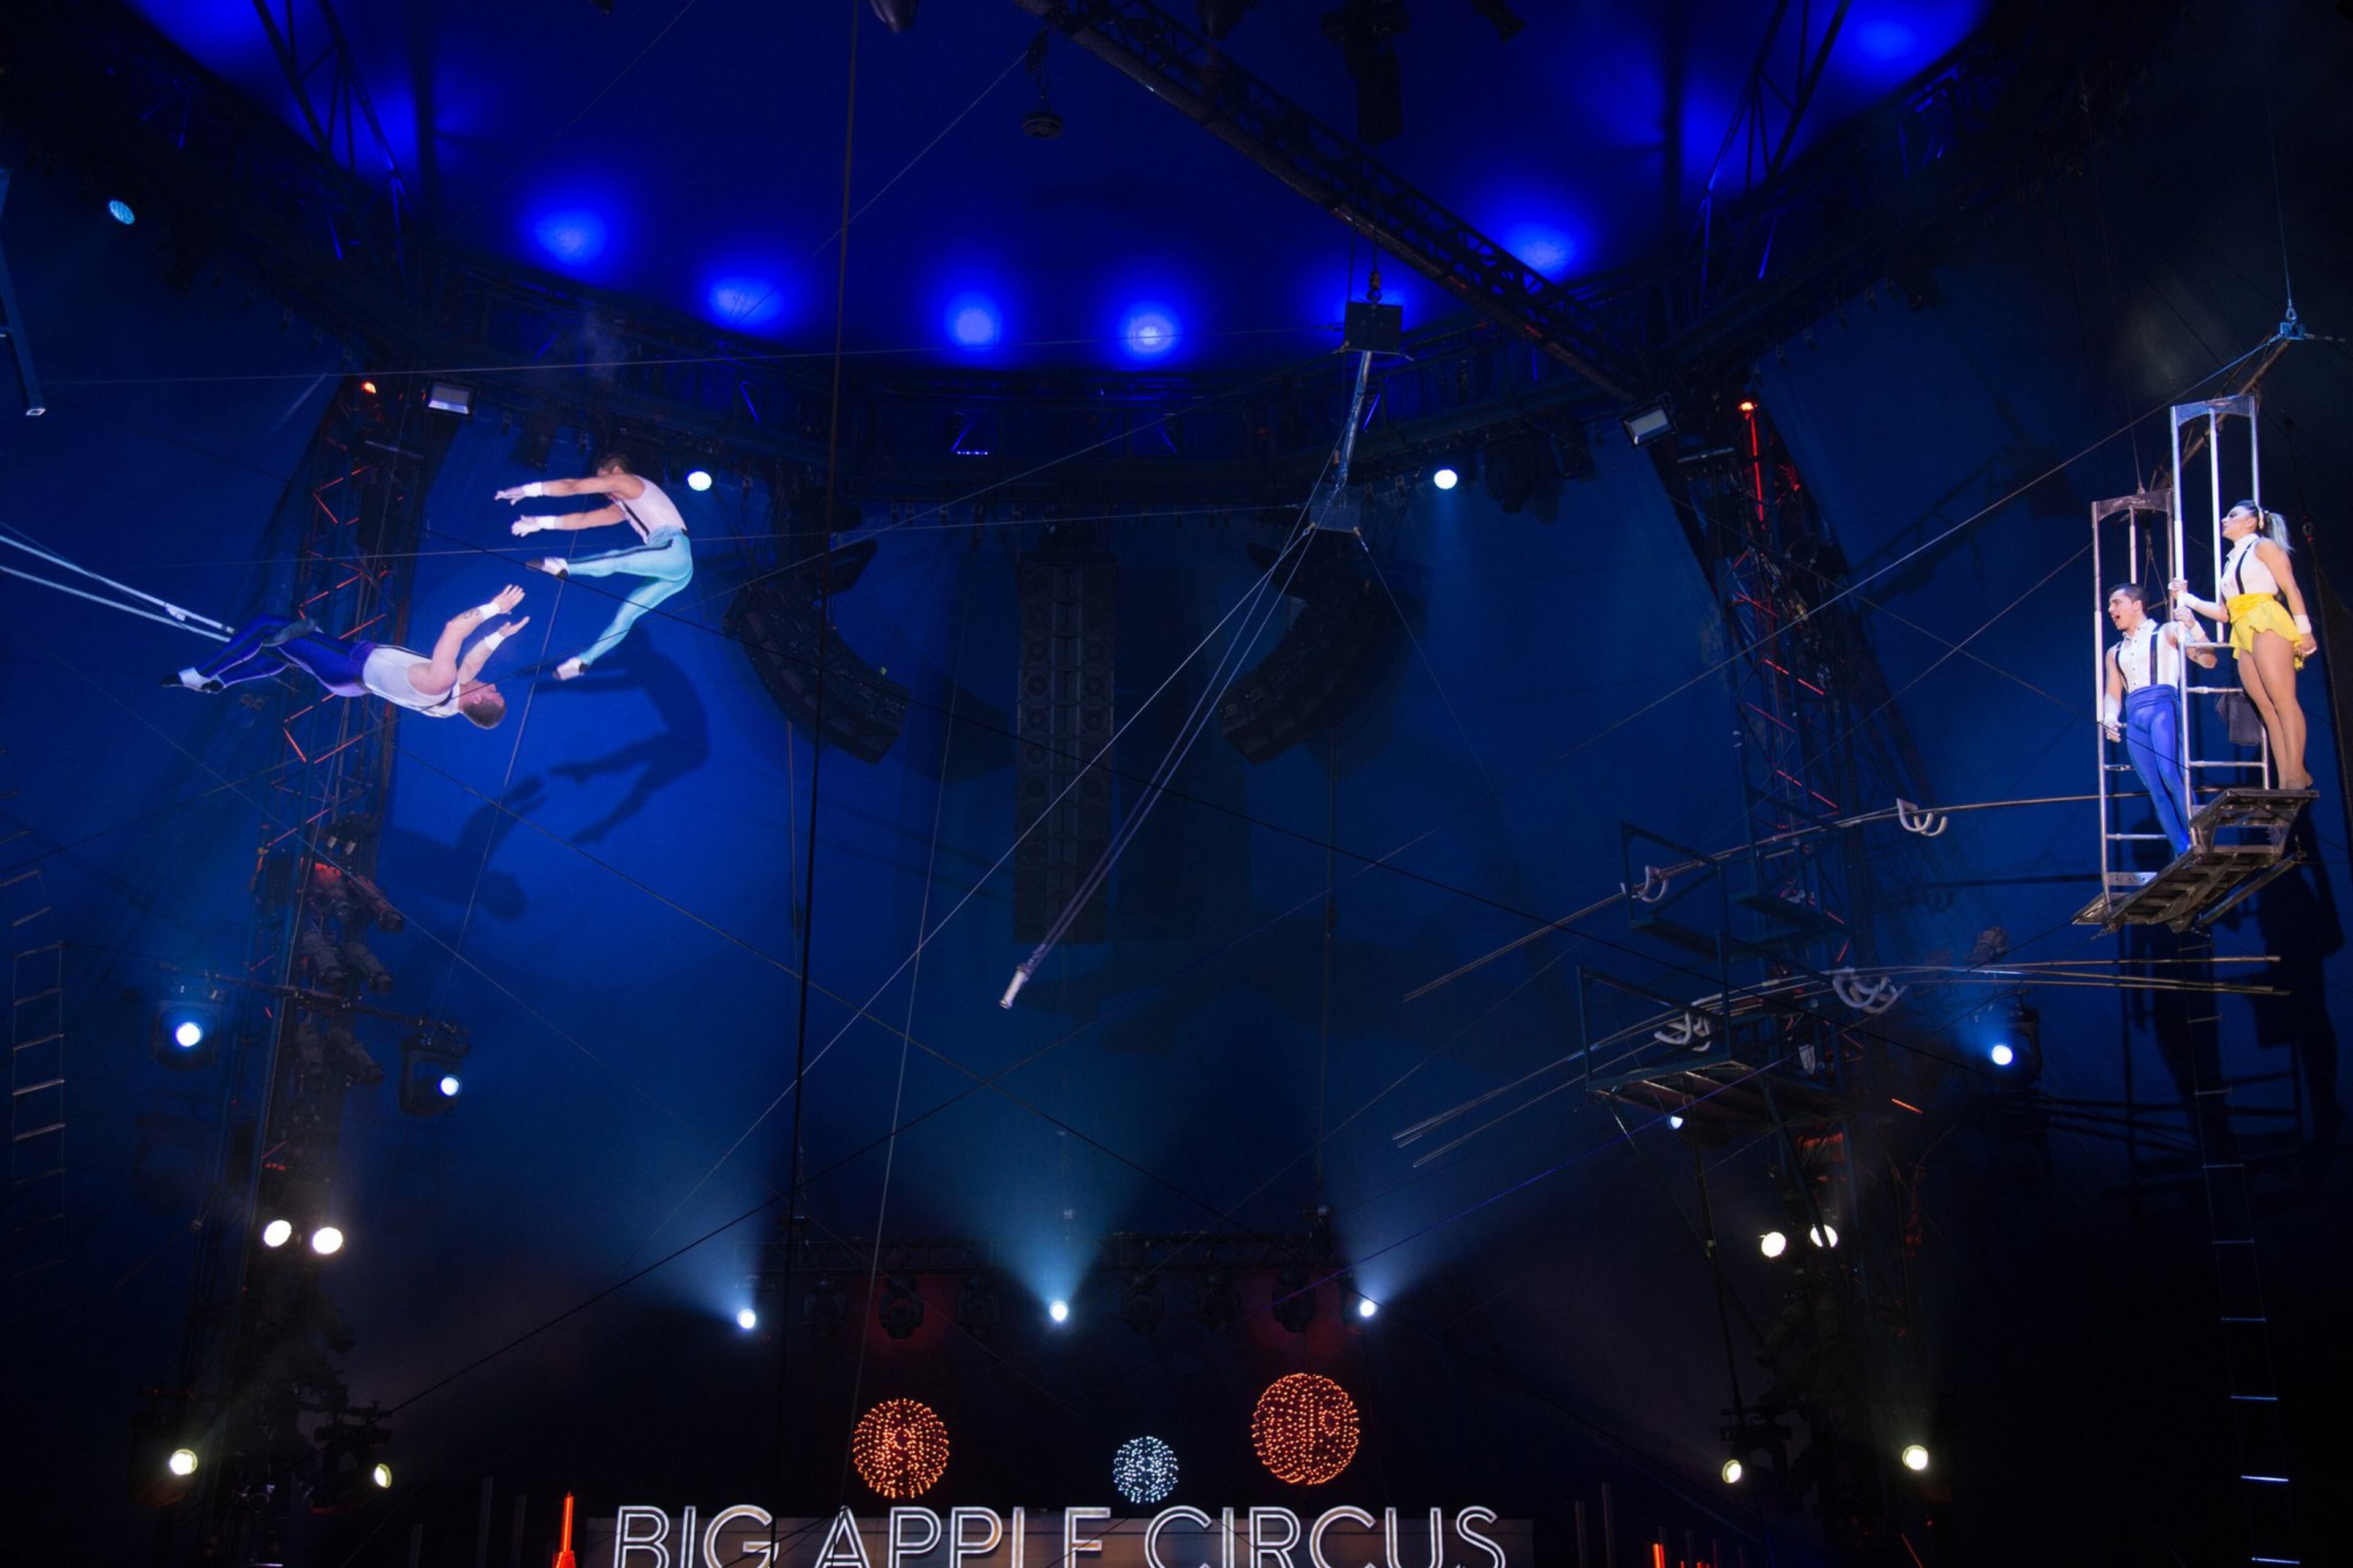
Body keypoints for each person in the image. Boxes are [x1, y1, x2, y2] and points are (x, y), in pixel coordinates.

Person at [164, 586, 528, 727]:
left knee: (265, 627)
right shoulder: (451, 705)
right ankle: (224, 681)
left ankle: (201, 675)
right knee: (286, 655)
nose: (495, 686)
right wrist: (497, 636)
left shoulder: (442, 683)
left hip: (347, 666)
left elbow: (453, 629)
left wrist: (494, 608)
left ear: (478, 698)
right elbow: (473, 665)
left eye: (495, 692)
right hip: (353, 678)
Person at [499, 454, 693, 680]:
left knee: (618, 560)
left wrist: (530, 489)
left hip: (673, 549)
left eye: (603, 481)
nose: (605, 491)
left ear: (617, 472)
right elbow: (585, 520)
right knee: (626, 615)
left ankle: (563, 566)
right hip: (678, 573)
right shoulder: (623, 506)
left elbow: (574, 486)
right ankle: (584, 661)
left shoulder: (629, 482)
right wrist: (540, 523)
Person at [2172, 502, 2319, 791]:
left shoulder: (2264, 547)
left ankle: (2296, 773)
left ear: (2252, 523)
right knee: (2266, 707)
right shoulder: (2230, 562)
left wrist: (2305, 632)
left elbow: (2290, 587)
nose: (2225, 520)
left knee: (2283, 699)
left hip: (2267, 619)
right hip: (2242, 628)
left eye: (2233, 516)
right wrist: (2188, 599)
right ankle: (2286, 776)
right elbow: (2226, 613)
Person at [2100, 582, 2216, 858]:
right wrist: (2110, 717)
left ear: (2137, 604)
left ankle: (2198, 839)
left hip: (2162, 706)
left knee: (2171, 773)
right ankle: (2182, 849)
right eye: (2110, 605)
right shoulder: (2115, 652)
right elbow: (2112, 693)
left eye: (2117, 603)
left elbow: (2209, 660)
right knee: (2155, 788)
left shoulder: (2166, 632)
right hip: (2135, 716)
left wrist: (2194, 625)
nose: (2111, 610)